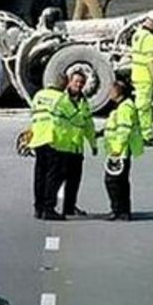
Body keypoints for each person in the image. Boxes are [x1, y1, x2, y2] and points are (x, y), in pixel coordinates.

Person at [100, 81, 145, 221]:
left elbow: (124, 130)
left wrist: (117, 150)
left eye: (112, 90)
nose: (109, 93)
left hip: (119, 152)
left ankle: (118, 210)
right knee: (121, 182)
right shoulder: (120, 107)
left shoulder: (125, 108)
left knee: (113, 182)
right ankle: (123, 211)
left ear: (119, 91)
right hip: (118, 150)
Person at [28, 77, 69, 221]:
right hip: (53, 139)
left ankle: (38, 208)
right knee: (53, 176)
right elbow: (70, 118)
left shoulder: (39, 95)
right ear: (64, 85)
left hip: (38, 138)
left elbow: (33, 114)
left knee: (39, 175)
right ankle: (48, 208)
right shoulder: (62, 98)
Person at [57, 70, 97, 218]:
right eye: (76, 81)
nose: (78, 85)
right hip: (61, 146)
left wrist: (93, 144)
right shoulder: (61, 99)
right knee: (56, 180)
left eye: (81, 82)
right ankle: (48, 207)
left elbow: (88, 125)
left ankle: (69, 207)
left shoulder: (83, 102)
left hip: (76, 148)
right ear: (69, 82)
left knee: (74, 181)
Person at [131, 10, 153, 144]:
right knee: (144, 107)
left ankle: (146, 133)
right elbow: (150, 60)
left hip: (136, 74)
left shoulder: (137, 34)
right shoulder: (150, 38)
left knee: (142, 106)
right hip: (144, 76)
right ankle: (145, 135)